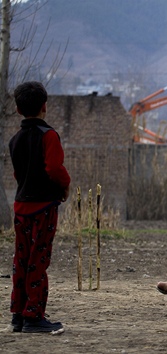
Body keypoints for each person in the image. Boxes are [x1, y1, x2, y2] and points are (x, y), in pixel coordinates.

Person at [8, 81, 71, 333]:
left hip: (21, 207)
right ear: (44, 106)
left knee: (21, 261)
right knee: (38, 261)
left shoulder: (14, 140)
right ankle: (34, 316)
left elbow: (17, 175)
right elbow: (54, 169)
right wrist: (65, 186)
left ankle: (18, 314)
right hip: (43, 207)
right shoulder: (49, 135)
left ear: (17, 109)